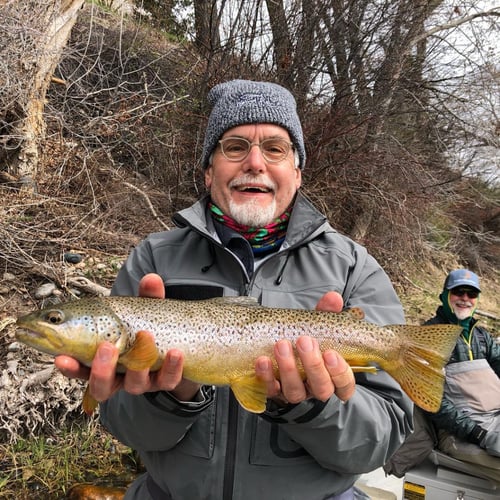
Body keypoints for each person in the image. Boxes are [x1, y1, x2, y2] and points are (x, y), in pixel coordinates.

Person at [55, 79, 413, 499]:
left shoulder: (355, 269)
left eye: (275, 149)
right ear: (210, 171)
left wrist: (312, 406)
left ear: (297, 173)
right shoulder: (153, 259)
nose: (255, 163)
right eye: (235, 146)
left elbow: (379, 444)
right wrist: (173, 393)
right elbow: (127, 428)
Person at [425, 269, 500, 482]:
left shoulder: (482, 335)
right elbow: (431, 400)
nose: (465, 299)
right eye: (459, 292)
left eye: (471, 294)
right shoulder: (428, 336)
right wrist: (478, 434)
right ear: (445, 295)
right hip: (460, 433)